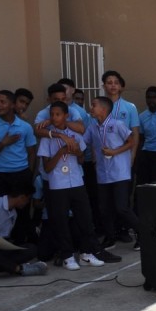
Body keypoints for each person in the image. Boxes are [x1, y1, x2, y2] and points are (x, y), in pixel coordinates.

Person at [38, 101, 113, 270]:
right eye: (52, 114)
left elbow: (81, 159)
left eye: (58, 114)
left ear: (66, 116)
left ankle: (87, 253)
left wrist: (77, 152)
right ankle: (67, 255)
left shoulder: (75, 134)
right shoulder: (47, 138)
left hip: (77, 181)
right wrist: (61, 152)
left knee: (85, 218)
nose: (54, 117)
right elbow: (47, 167)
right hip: (58, 184)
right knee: (61, 221)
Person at [85, 96, 140, 253]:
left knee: (121, 207)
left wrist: (114, 152)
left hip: (119, 172)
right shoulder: (92, 127)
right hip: (103, 173)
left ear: (103, 109)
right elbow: (83, 142)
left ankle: (142, 232)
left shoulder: (117, 125)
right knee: (104, 208)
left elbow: (131, 141)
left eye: (93, 105)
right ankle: (110, 237)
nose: (91, 108)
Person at [100, 71, 140, 166]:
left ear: (120, 86)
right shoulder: (99, 106)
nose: (113, 85)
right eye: (109, 83)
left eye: (116, 82)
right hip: (104, 152)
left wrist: (133, 154)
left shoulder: (130, 107)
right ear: (104, 86)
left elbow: (135, 133)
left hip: (124, 152)